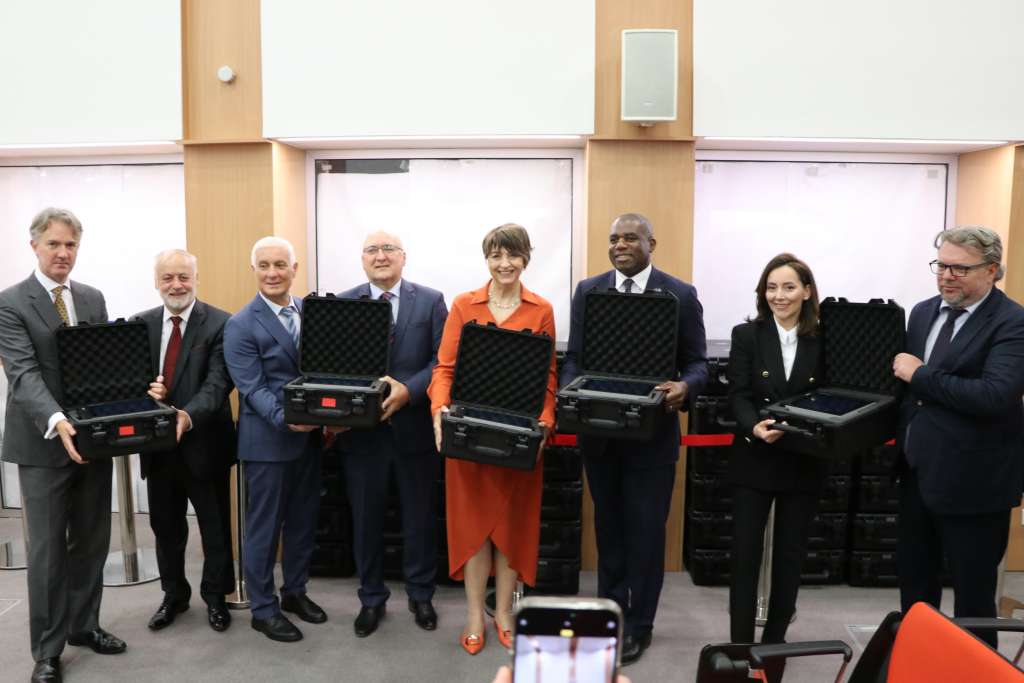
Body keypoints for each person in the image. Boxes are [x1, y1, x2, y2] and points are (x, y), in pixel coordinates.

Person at [561, 212, 707, 665]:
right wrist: (570, 390)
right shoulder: (588, 290)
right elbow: (575, 357)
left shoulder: (680, 294)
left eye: (629, 238)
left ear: (651, 243)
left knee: (645, 536)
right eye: (614, 239)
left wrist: (685, 388)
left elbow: (698, 364)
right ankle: (609, 617)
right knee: (609, 533)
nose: (620, 245)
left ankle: (640, 625)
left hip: (652, 439)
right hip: (599, 436)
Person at [0, 208, 125, 683]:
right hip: (44, 443)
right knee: (49, 553)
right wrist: (57, 420)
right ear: (34, 245)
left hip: (92, 440)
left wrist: (137, 391)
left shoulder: (92, 298)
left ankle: (84, 626)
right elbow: (24, 374)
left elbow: (104, 366)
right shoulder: (10, 303)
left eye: (70, 244)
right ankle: (47, 651)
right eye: (53, 244)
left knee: (91, 541)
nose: (63, 253)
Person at [428, 223, 557, 655]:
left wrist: (545, 422)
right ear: (487, 259)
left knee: (510, 529)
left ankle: (502, 613)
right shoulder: (464, 304)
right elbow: (445, 369)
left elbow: (548, 377)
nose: (504, 264)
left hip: (517, 439)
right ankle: (472, 617)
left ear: (525, 258)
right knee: (473, 531)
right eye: (496, 255)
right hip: (468, 436)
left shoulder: (542, 309)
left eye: (512, 255)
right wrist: (440, 411)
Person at [893, 226, 1024, 648]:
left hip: (976, 485)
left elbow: (994, 395)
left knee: (973, 602)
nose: (947, 276)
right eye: (941, 266)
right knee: (915, 593)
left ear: (991, 270)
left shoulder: (1013, 322)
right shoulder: (922, 312)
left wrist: (921, 374)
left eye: (959, 269)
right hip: (918, 475)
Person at [335, 231, 447, 637]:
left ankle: (421, 595)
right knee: (365, 520)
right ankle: (371, 598)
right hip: (362, 434)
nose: (380, 256)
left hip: (415, 430)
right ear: (362, 259)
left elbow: (442, 361)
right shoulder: (344, 303)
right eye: (372, 250)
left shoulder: (431, 301)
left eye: (388, 249)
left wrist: (408, 391)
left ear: (403, 257)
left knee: (420, 518)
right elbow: (333, 362)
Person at [223, 236, 327, 643]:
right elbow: (252, 388)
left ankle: (295, 593)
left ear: (294, 269)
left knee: (303, 523)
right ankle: (263, 610)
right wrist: (289, 420)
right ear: (254, 270)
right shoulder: (241, 324)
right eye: (264, 265)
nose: (272, 273)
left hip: (310, 441)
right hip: (268, 442)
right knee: (264, 530)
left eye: (280, 265)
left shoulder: (310, 312)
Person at [726, 254, 827, 661]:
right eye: (771, 288)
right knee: (744, 555)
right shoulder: (746, 335)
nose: (779, 296)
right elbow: (738, 394)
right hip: (755, 456)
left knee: (790, 556)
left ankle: (773, 646)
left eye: (788, 287)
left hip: (805, 458)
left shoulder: (826, 337)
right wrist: (754, 426)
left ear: (806, 291)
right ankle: (739, 647)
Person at [136, 249, 236, 633]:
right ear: (156, 281)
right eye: (168, 277)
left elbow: (218, 383)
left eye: (183, 277)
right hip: (158, 447)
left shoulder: (221, 323)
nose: (176, 285)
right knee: (166, 529)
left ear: (196, 278)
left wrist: (186, 415)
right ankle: (174, 596)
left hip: (205, 444)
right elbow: (130, 382)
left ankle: (216, 597)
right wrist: (148, 394)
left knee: (215, 528)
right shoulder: (140, 324)